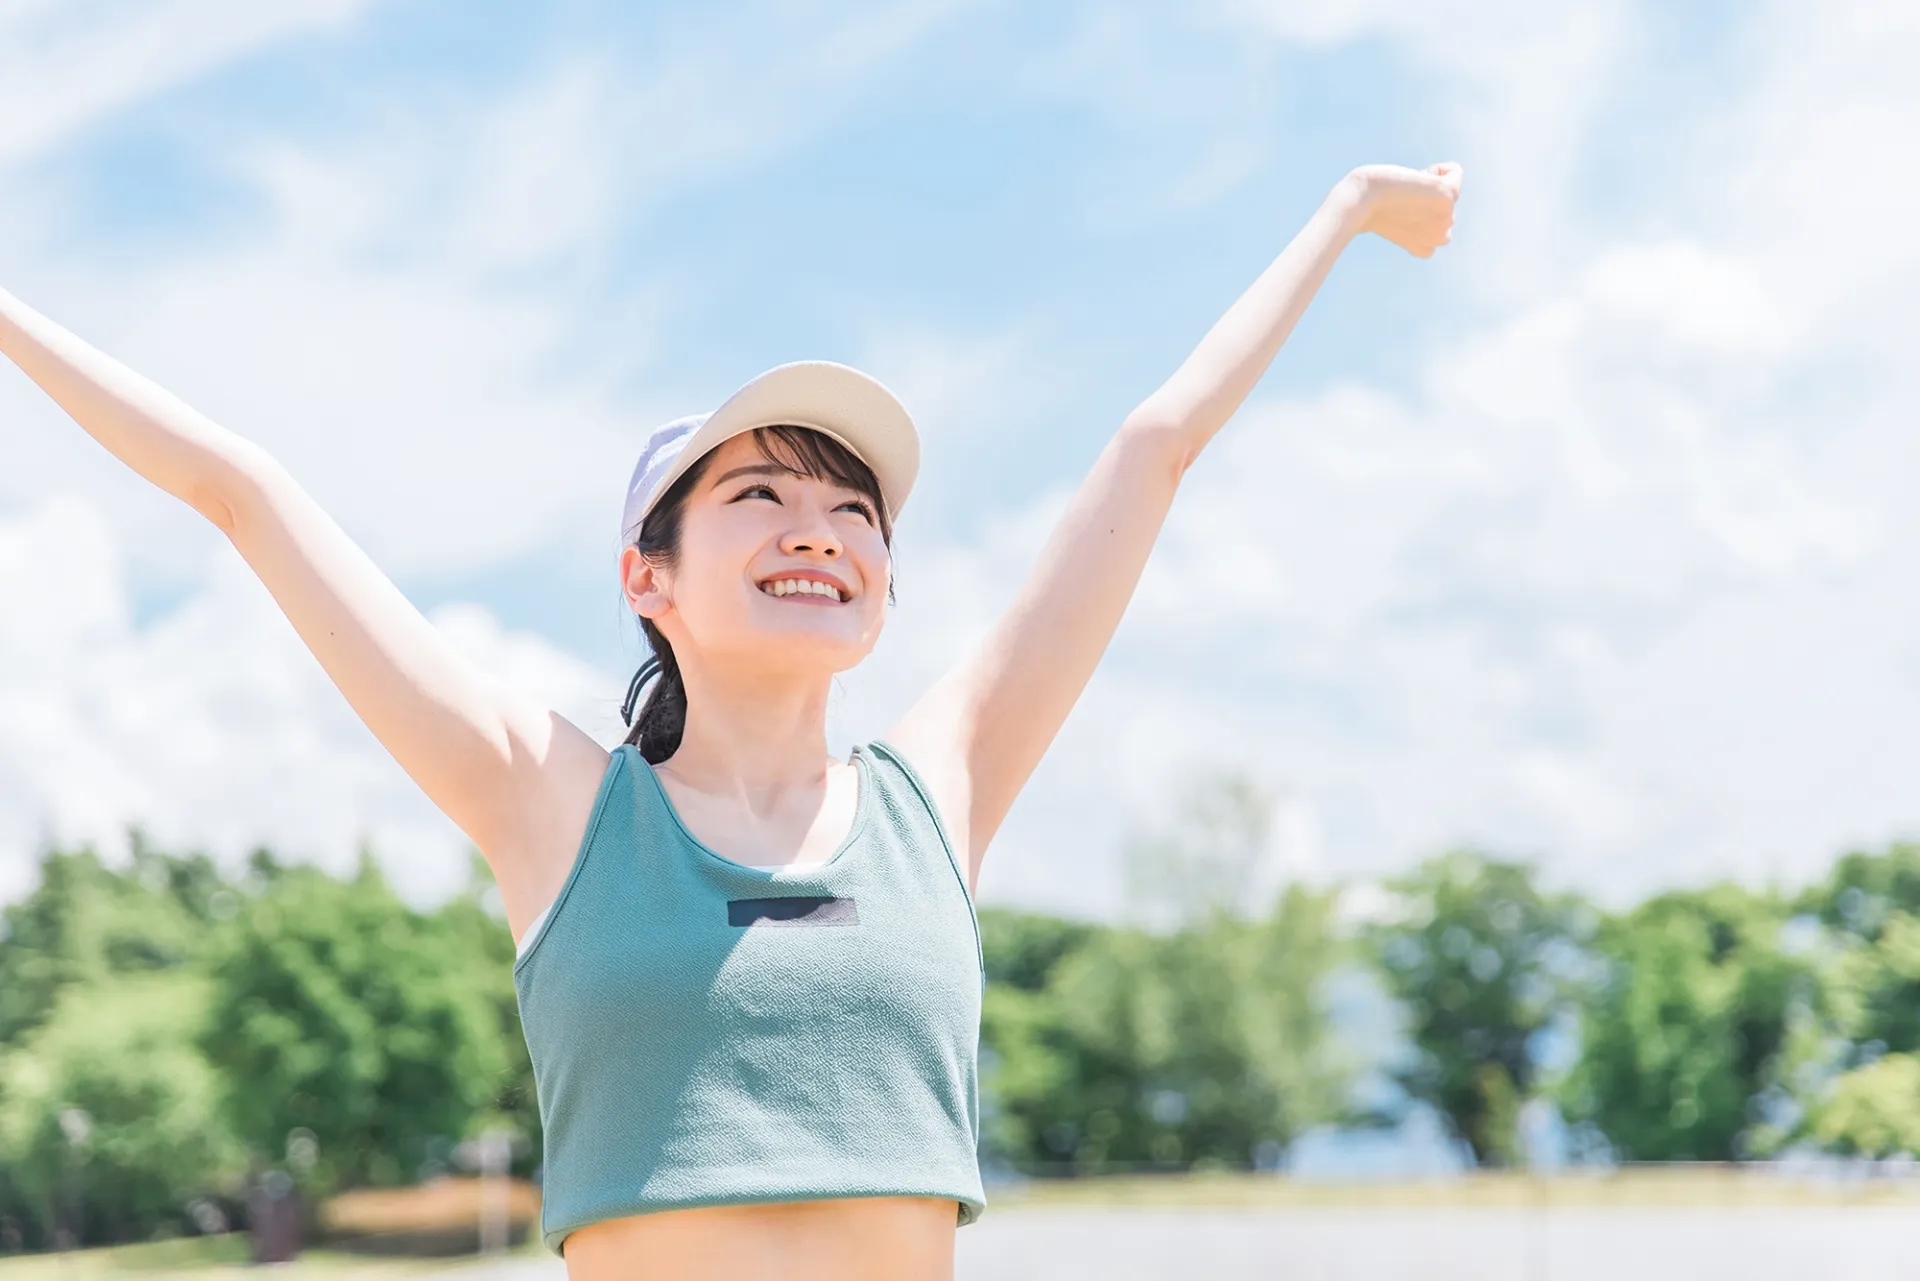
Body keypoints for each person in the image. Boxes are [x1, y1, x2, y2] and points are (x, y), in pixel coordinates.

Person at [0, 159, 1461, 1280]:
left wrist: (1341, 214)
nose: (816, 529)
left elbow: (1153, 451)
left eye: (852, 508)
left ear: (884, 584)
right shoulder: (553, 805)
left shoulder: (937, 790)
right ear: (650, 576)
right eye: (757, 495)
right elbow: (243, 492)